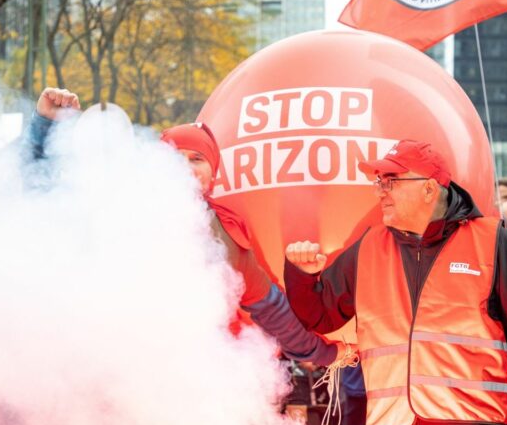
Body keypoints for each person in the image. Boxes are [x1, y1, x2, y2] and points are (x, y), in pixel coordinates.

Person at [284, 140, 507, 425]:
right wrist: (301, 275)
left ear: (429, 187)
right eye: (378, 181)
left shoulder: (490, 240)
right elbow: (320, 318)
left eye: (391, 180)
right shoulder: (368, 247)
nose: (381, 190)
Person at [26, 88, 341, 368]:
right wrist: (45, 125)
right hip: (103, 368)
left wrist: (326, 354)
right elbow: (42, 189)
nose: (186, 168)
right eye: (176, 157)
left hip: (184, 385)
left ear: (213, 170)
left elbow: (273, 312)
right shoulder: (121, 203)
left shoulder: (223, 235)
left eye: (197, 159)